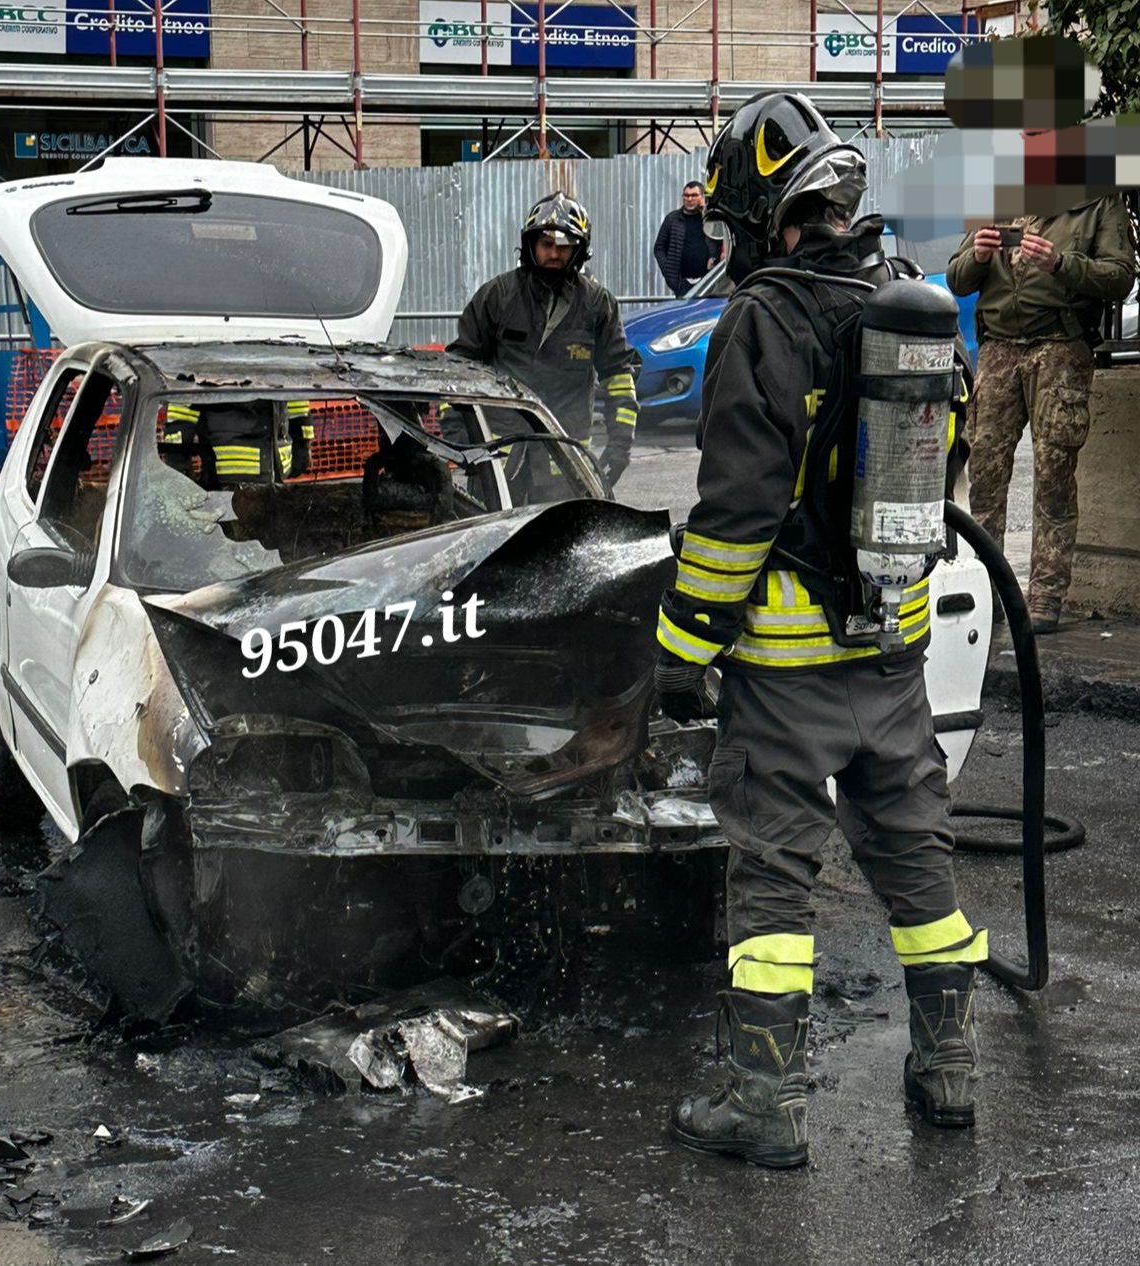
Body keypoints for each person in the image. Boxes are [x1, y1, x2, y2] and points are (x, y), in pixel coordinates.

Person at [652, 92, 985, 1169]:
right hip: (892, 645)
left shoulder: (767, 314)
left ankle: (767, 1103)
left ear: (759, 211)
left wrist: (683, 647)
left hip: (789, 663)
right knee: (916, 859)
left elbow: (739, 509)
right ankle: (948, 1074)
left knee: (774, 875)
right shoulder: (904, 299)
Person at [945, 197, 1136, 633]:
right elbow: (957, 278)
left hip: (1060, 347)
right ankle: (988, 593)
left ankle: (1045, 596)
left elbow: (1121, 277)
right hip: (998, 351)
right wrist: (977, 255)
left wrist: (1060, 264)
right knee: (986, 476)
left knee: (1053, 476)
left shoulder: (1097, 202)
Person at [448, 192, 638, 490]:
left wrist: (620, 447)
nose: (554, 254)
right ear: (531, 245)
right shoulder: (497, 297)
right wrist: (459, 440)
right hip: (500, 465)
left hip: (565, 464)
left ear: (579, 251)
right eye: (546, 245)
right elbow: (459, 368)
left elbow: (618, 377)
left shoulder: (598, 305)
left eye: (564, 246)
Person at [160, 399, 312, 489]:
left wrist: (301, 442)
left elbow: (296, 395)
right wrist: (177, 457)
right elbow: (182, 405)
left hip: (274, 476)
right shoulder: (209, 350)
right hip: (225, 480)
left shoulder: (280, 348)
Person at [654, 181, 722, 298]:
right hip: (681, 284)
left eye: (694, 195)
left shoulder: (710, 218)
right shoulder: (673, 219)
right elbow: (659, 248)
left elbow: (721, 240)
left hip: (709, 281)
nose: (689, 199)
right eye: (686, 195)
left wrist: (714, 259)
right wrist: (669, 272)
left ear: (702, 197)